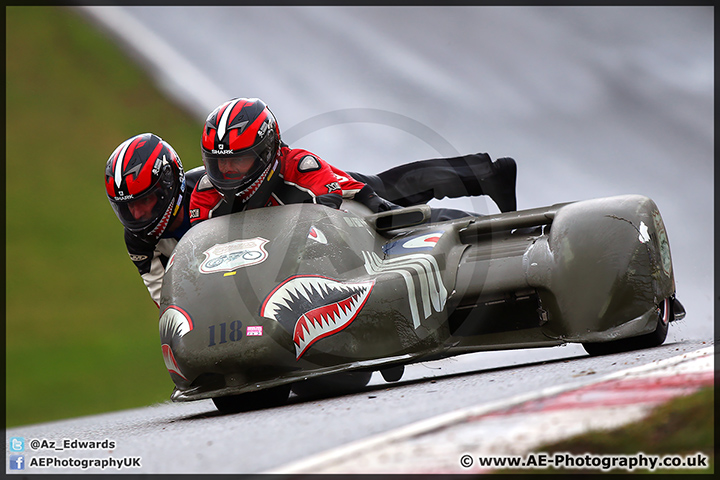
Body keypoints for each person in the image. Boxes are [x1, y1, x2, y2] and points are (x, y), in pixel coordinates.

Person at [189, 97, 517, 225]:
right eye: (219, 162)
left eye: (239, 160)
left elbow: (344, 192)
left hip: (349, 192)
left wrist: (376, 205)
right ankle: (483, 172)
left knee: (400, 212)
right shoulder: (205, 194)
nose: (227, 170)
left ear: (265, 152)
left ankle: (490, 211)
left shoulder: (298, 165)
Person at [104, 133, 204, 307]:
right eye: (128, 206)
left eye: (144, 200)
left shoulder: (210, 187)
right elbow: (168, 304)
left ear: (168, 186)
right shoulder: (137, 241)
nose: (137, 214)